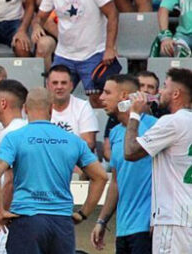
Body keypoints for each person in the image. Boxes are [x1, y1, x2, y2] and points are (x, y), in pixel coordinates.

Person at [0, 88, 108, 253]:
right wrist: (83, 214)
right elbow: (100, 177)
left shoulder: (14, 138)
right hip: (62, 222)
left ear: (25, 109)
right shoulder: (73, 140)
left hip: (26, 220)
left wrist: (0, 212)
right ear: (51, 109)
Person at [32, 0, 119, 107]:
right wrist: (37, 26)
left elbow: (112, 14)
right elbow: (41, 16)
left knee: (98, 100)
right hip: (65, 53)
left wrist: (110, 47)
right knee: (54, 99)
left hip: (93, 52)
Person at [123, 68, 192, 253]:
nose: (160, 91)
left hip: (174, 219)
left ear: (176, 93)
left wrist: (135, 114)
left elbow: (130, 152)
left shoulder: (172, 122)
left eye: (165, 86)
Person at [93, 74, 155, 253]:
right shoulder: (114, 133)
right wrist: (102, 221)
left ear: (124, 96)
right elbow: (116, 182)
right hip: (123, 229)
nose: (101, 98)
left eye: (107, 92)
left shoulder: (154, 127)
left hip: (146, 228)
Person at [46, 65, 99, 149]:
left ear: (71, 85)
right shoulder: (41, 107)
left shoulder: (83, 107)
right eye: (55, 83)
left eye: (64, 83)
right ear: (48, 85)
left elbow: (88, 143)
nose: (59, 87)